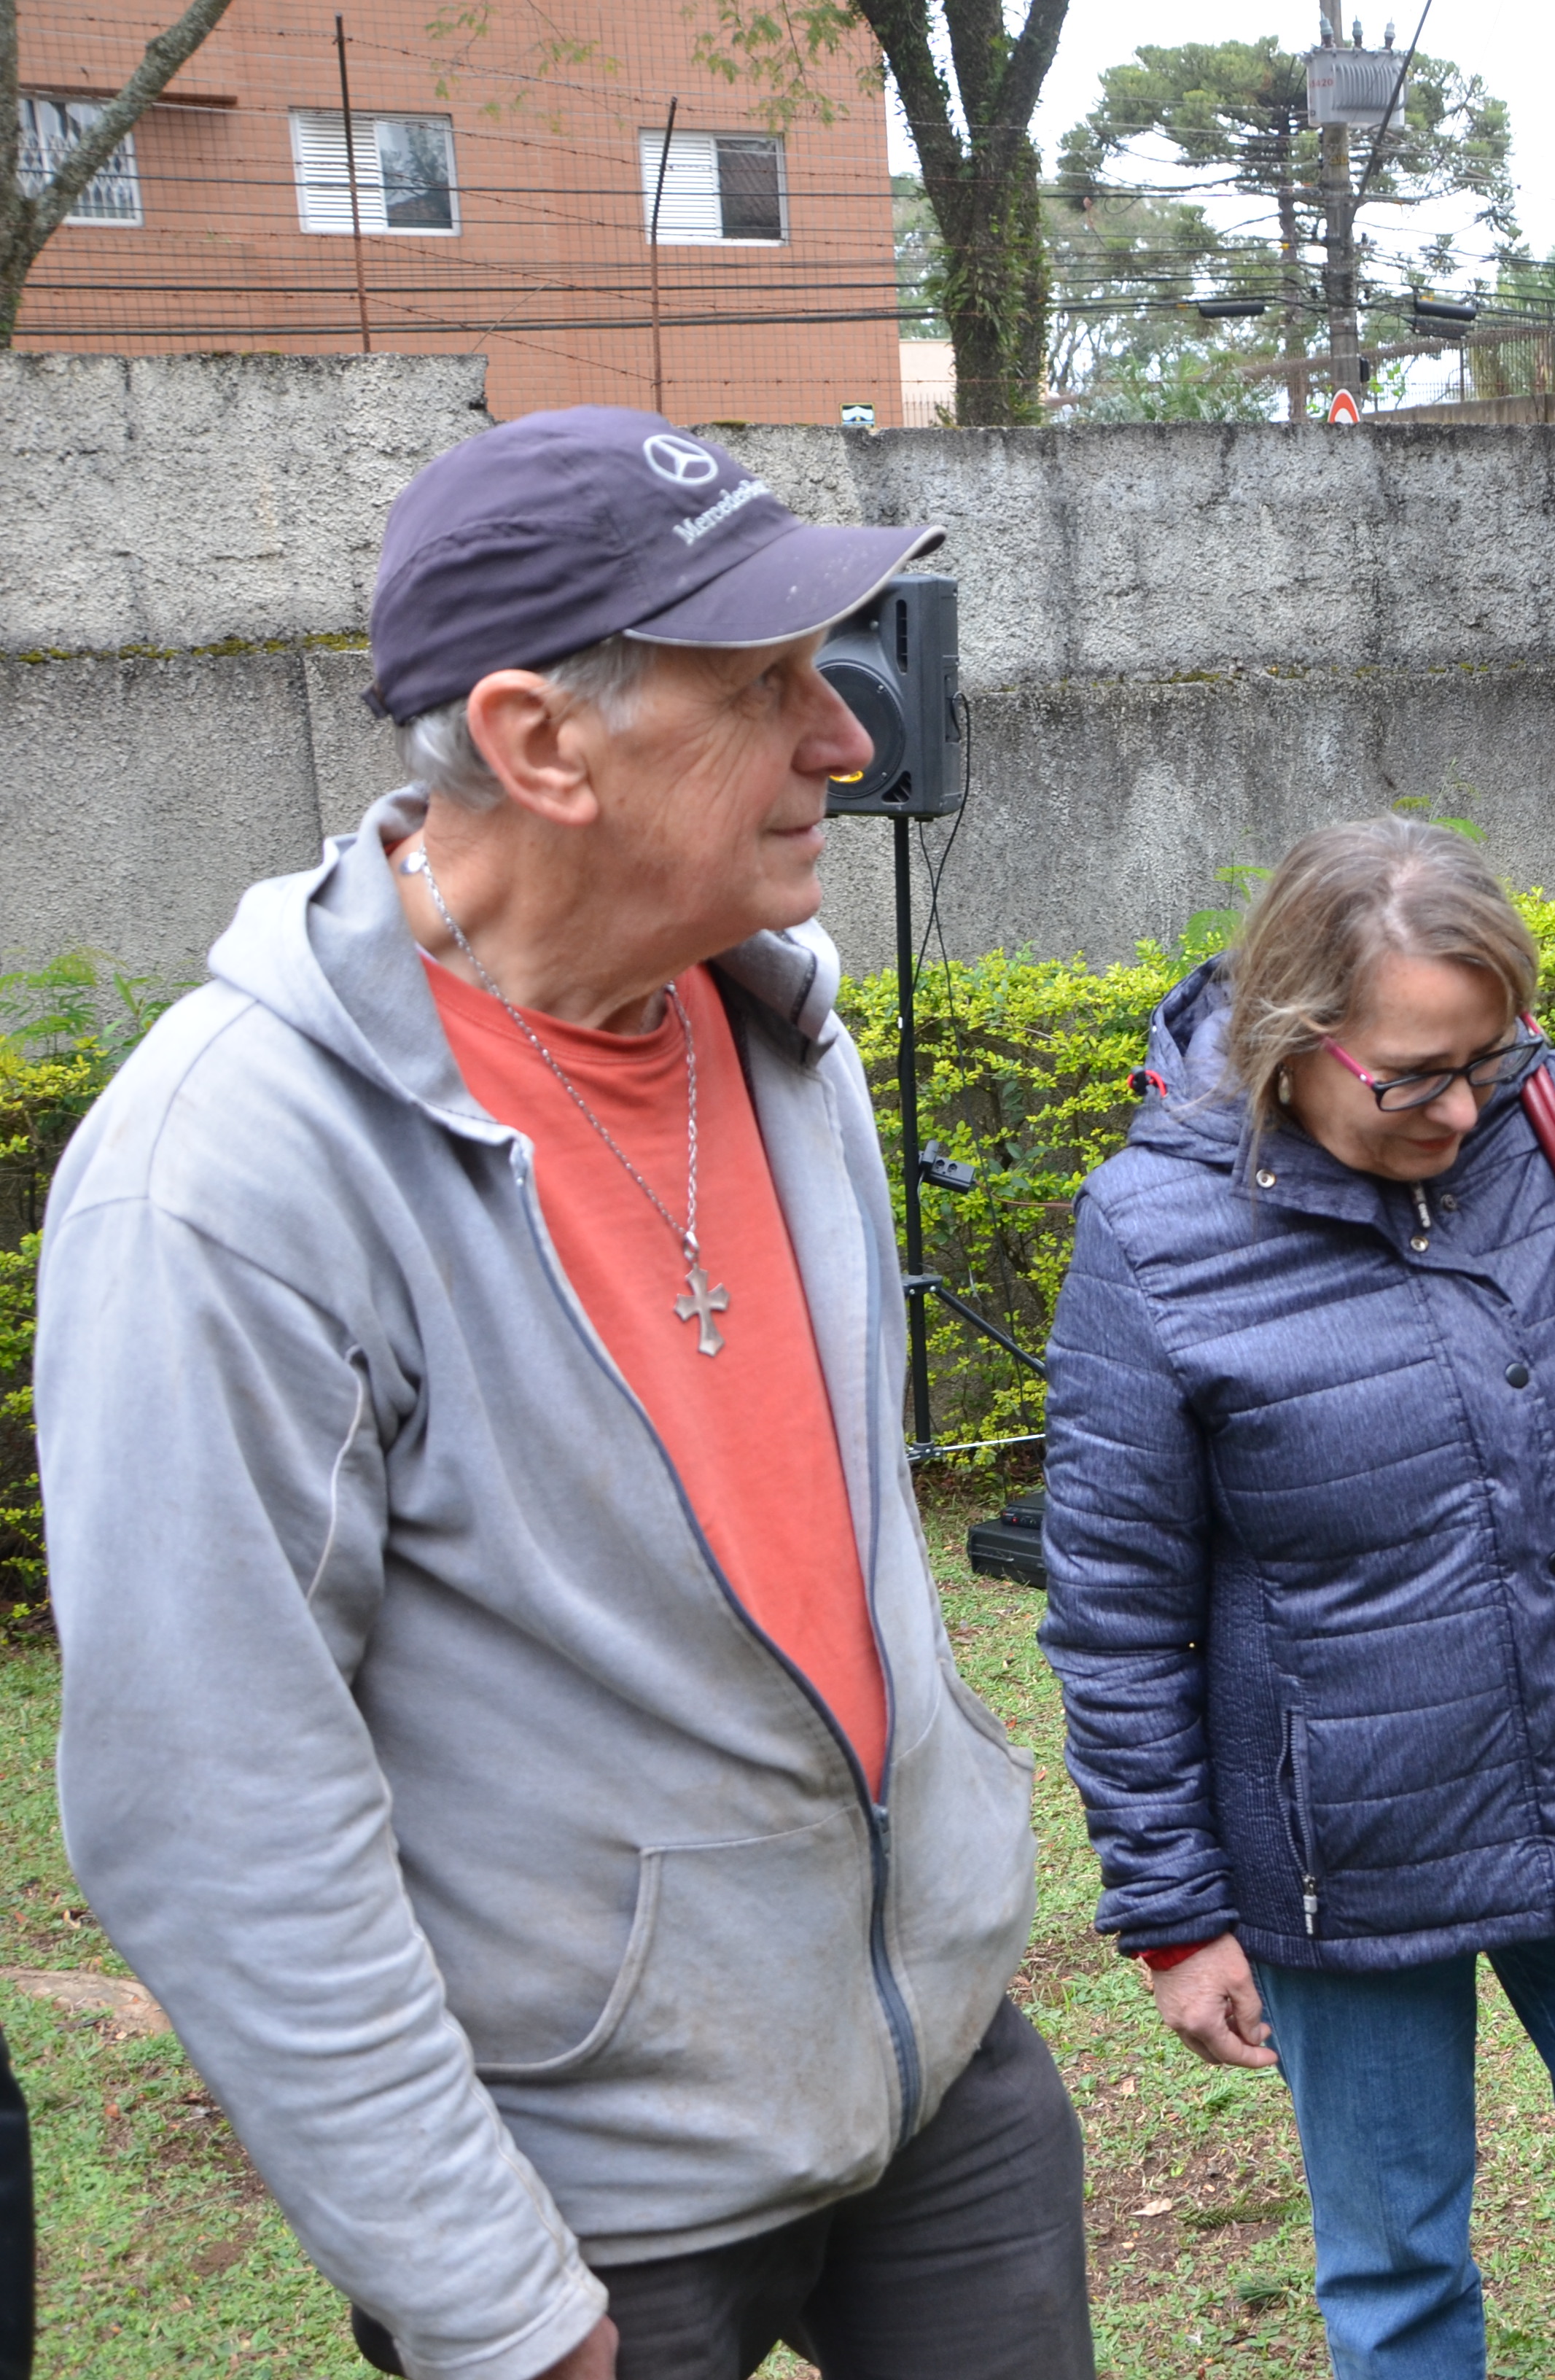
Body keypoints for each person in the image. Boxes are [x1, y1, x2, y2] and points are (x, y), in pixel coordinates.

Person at [39, 410, 1083, 2380]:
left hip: (933, 2072)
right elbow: (220, 1810)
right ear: (537, 744)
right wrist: (487, 2301)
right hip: (588, 2207)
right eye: (768, 687)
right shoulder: (233, 1173)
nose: (845, 741)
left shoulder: (777, 1026)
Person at [1040, 815, 1555, 2380]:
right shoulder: (1151, 1234)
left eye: (1492, 1054)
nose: (1464, 1107)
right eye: (1416, 1076)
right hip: (1343, 1869)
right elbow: (1116, 1611)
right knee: (1397, 2270)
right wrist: (1173, 1913)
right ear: (1292, 1041)